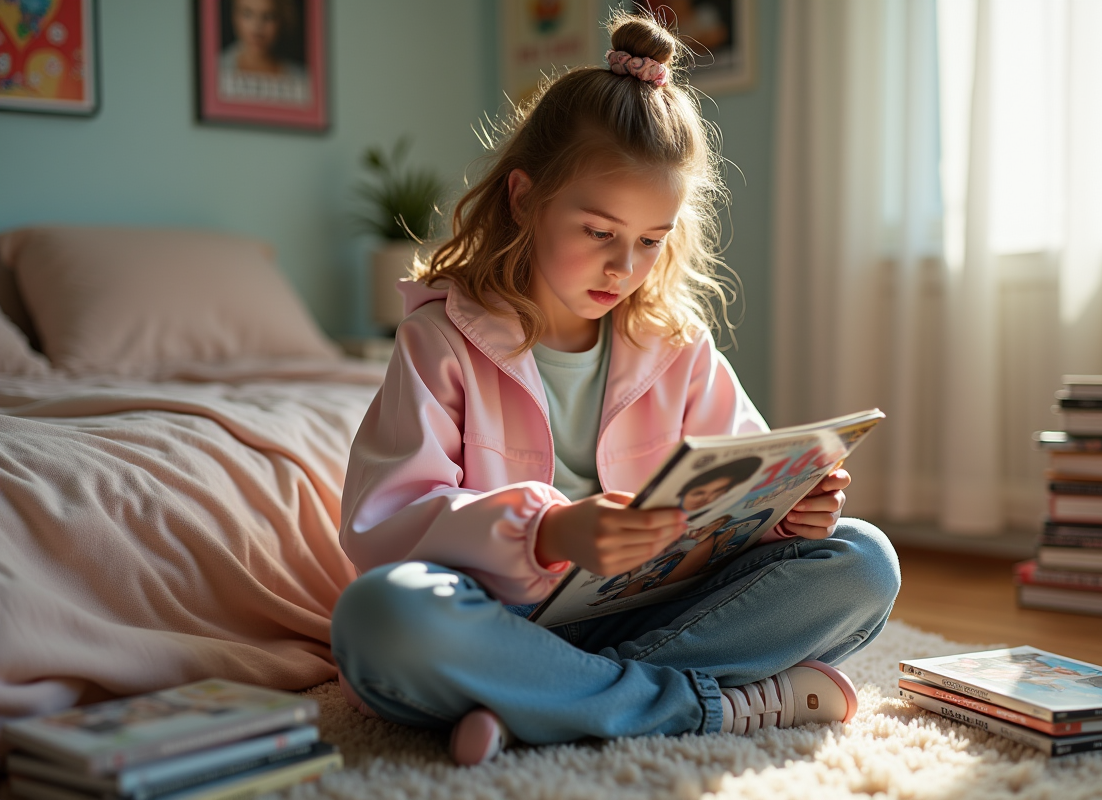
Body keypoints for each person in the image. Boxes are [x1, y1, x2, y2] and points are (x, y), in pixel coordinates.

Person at [330, 10, 901, 767]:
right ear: (524, 197)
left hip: (651, 612)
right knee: (380, 615)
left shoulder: (677, 346)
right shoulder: (441, 341)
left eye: (650, 241)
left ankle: (538, 702)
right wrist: (549, 531)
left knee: (861, 561)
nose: (623, 267)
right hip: (497, 622)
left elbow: (736, 499)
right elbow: (386, 522)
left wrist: (790, 514)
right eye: (599, 232)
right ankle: (703, 707)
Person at [218, 0, 309, 105]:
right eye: (247, 14)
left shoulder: (301, 79)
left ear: (283, 20)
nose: (257, 28)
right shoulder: (215, 70)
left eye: (268, 16)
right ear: (234, 16)